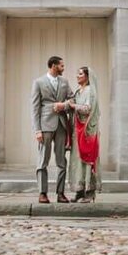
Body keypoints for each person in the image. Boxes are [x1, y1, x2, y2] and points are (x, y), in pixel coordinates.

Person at [30, 55, 72, 203]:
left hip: (61, 125)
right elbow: (35, 108)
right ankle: (42, 193)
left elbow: (72, 99)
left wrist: (64, 105)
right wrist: (37, 130)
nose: (63, 68)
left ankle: (60, 193)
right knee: (43, 161)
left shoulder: (65, 82)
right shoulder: (39, 82)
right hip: (45, 126)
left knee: (62, 161)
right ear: (54, 66)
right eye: (61, 65)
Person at [67, 65, 101, 202]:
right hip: (77, 131)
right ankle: (79, 190)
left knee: (87, 160)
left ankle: (89, 191)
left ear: (87, 77)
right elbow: (72, 104)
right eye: (77, 74)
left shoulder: (90, 91)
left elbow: (88, 109)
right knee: (77, 160)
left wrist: (73, 106)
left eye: (80, 74)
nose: (77, 76)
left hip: (88, 132)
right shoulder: (78, 91)